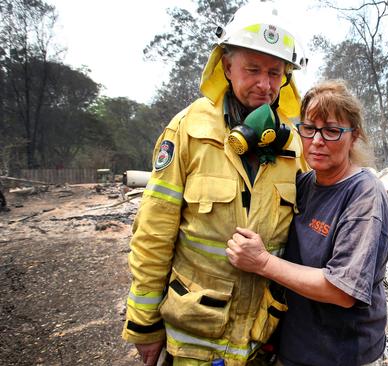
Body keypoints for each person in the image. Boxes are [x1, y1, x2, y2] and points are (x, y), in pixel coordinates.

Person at [121, 2, 308, 365]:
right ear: (226, 66)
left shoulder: (292, 144)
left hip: (261, 342)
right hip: (195, 341)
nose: (264, 84)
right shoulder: (188, 130)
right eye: (252, 69)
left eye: (274, 72)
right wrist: (144, 324)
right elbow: (154, 233)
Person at [226, 80, 388, 366]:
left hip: (340, 353)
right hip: (296, 345)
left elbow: (341, 291)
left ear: (354, 136)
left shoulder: (364, 195)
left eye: (331, 131)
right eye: (309, 128)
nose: (317, 140)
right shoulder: (304, 184)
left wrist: (262, 262)